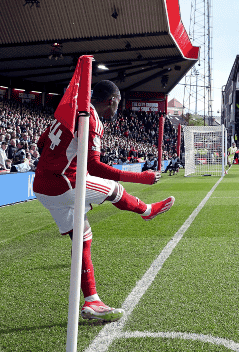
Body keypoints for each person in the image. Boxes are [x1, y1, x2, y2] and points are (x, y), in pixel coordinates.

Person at [33, 80, 174, 322]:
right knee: (115, 190)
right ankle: (146, 210)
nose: (117, 108)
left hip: (42, 185)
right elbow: (95, 166)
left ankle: (92, 302)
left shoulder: (70, 111)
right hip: (65, 182)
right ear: (111, 100)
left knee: (82, 240)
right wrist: (142, 177)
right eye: (118, 103)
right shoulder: (91, 117)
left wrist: (59, 160)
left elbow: (41, 143)